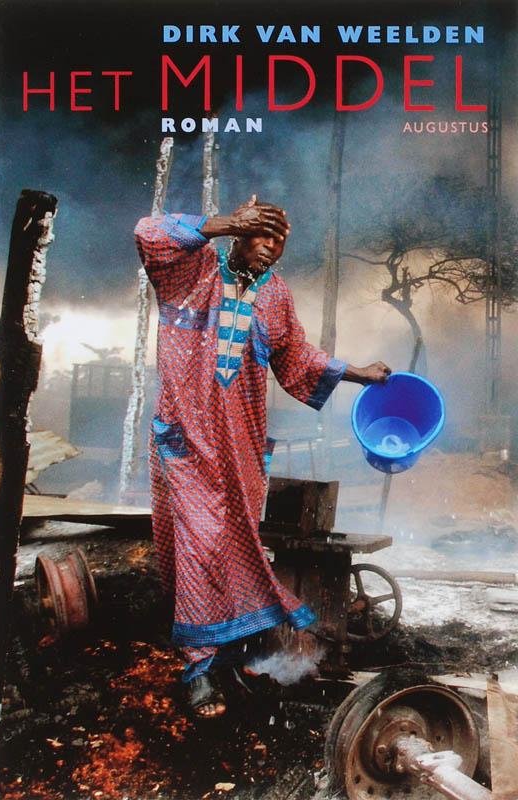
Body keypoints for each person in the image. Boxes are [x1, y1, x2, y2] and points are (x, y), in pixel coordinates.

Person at [134, 196, 390, 718]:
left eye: (279, 241)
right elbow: (149, 233)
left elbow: (297, 357)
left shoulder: (275, 295)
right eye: (261, 235)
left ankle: (227, 657)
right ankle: (198, 669)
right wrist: (226, 221)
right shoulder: (192, 269)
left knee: (237, 543)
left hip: (241, 445)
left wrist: (359, 374)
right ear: (241, 232)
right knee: (200, 543)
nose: (271, 249)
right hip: (187, 438)